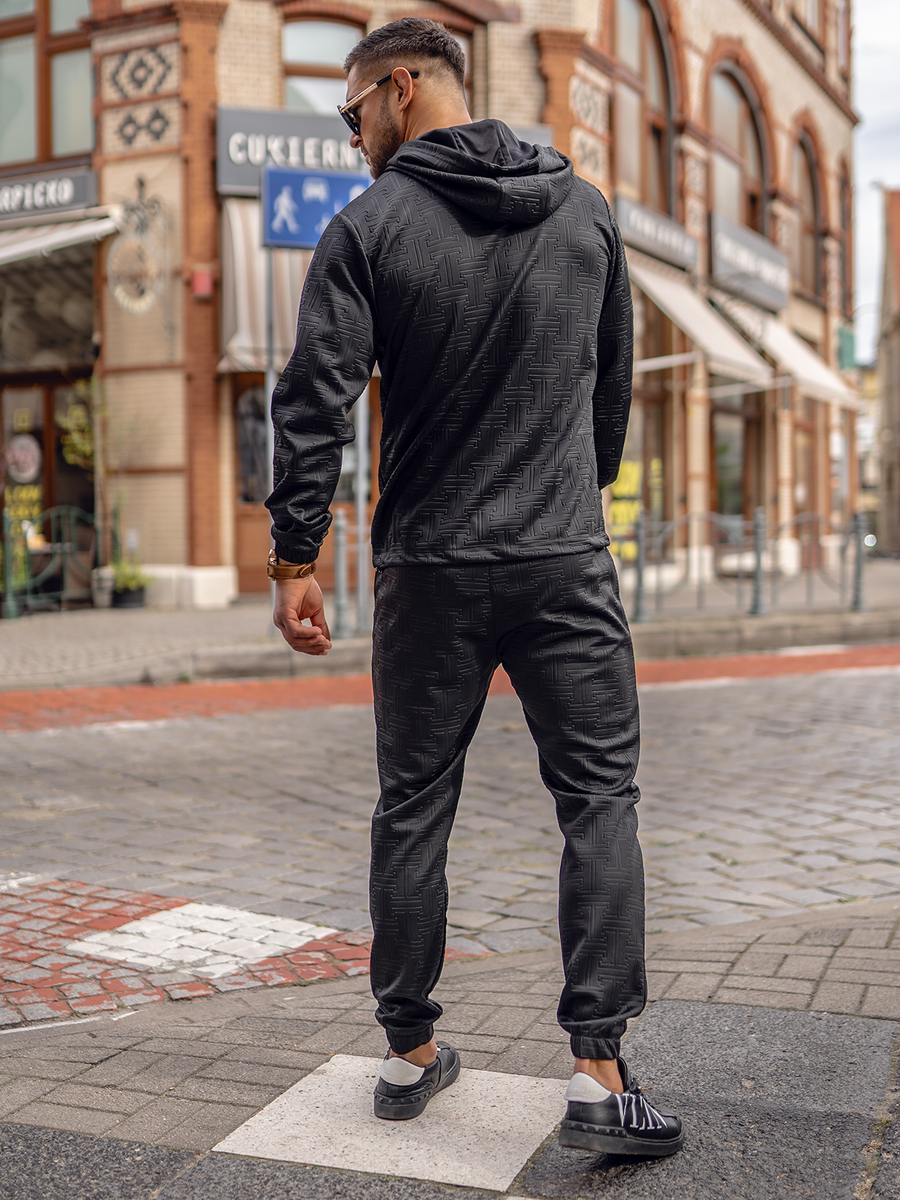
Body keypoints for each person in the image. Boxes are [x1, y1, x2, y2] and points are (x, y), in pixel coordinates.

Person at [266, 16, 683, 1158]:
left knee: (413, 804)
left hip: (429, 568)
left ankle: (409, 1051)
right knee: (599, 801)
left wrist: (296, 558)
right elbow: (611, 391)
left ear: (401, 89)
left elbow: (314, 399)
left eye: (353, 111)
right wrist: (569, 500)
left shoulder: (368, 228)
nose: (351, 136)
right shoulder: (585, 209)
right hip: (563, 558)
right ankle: (598, 1072)